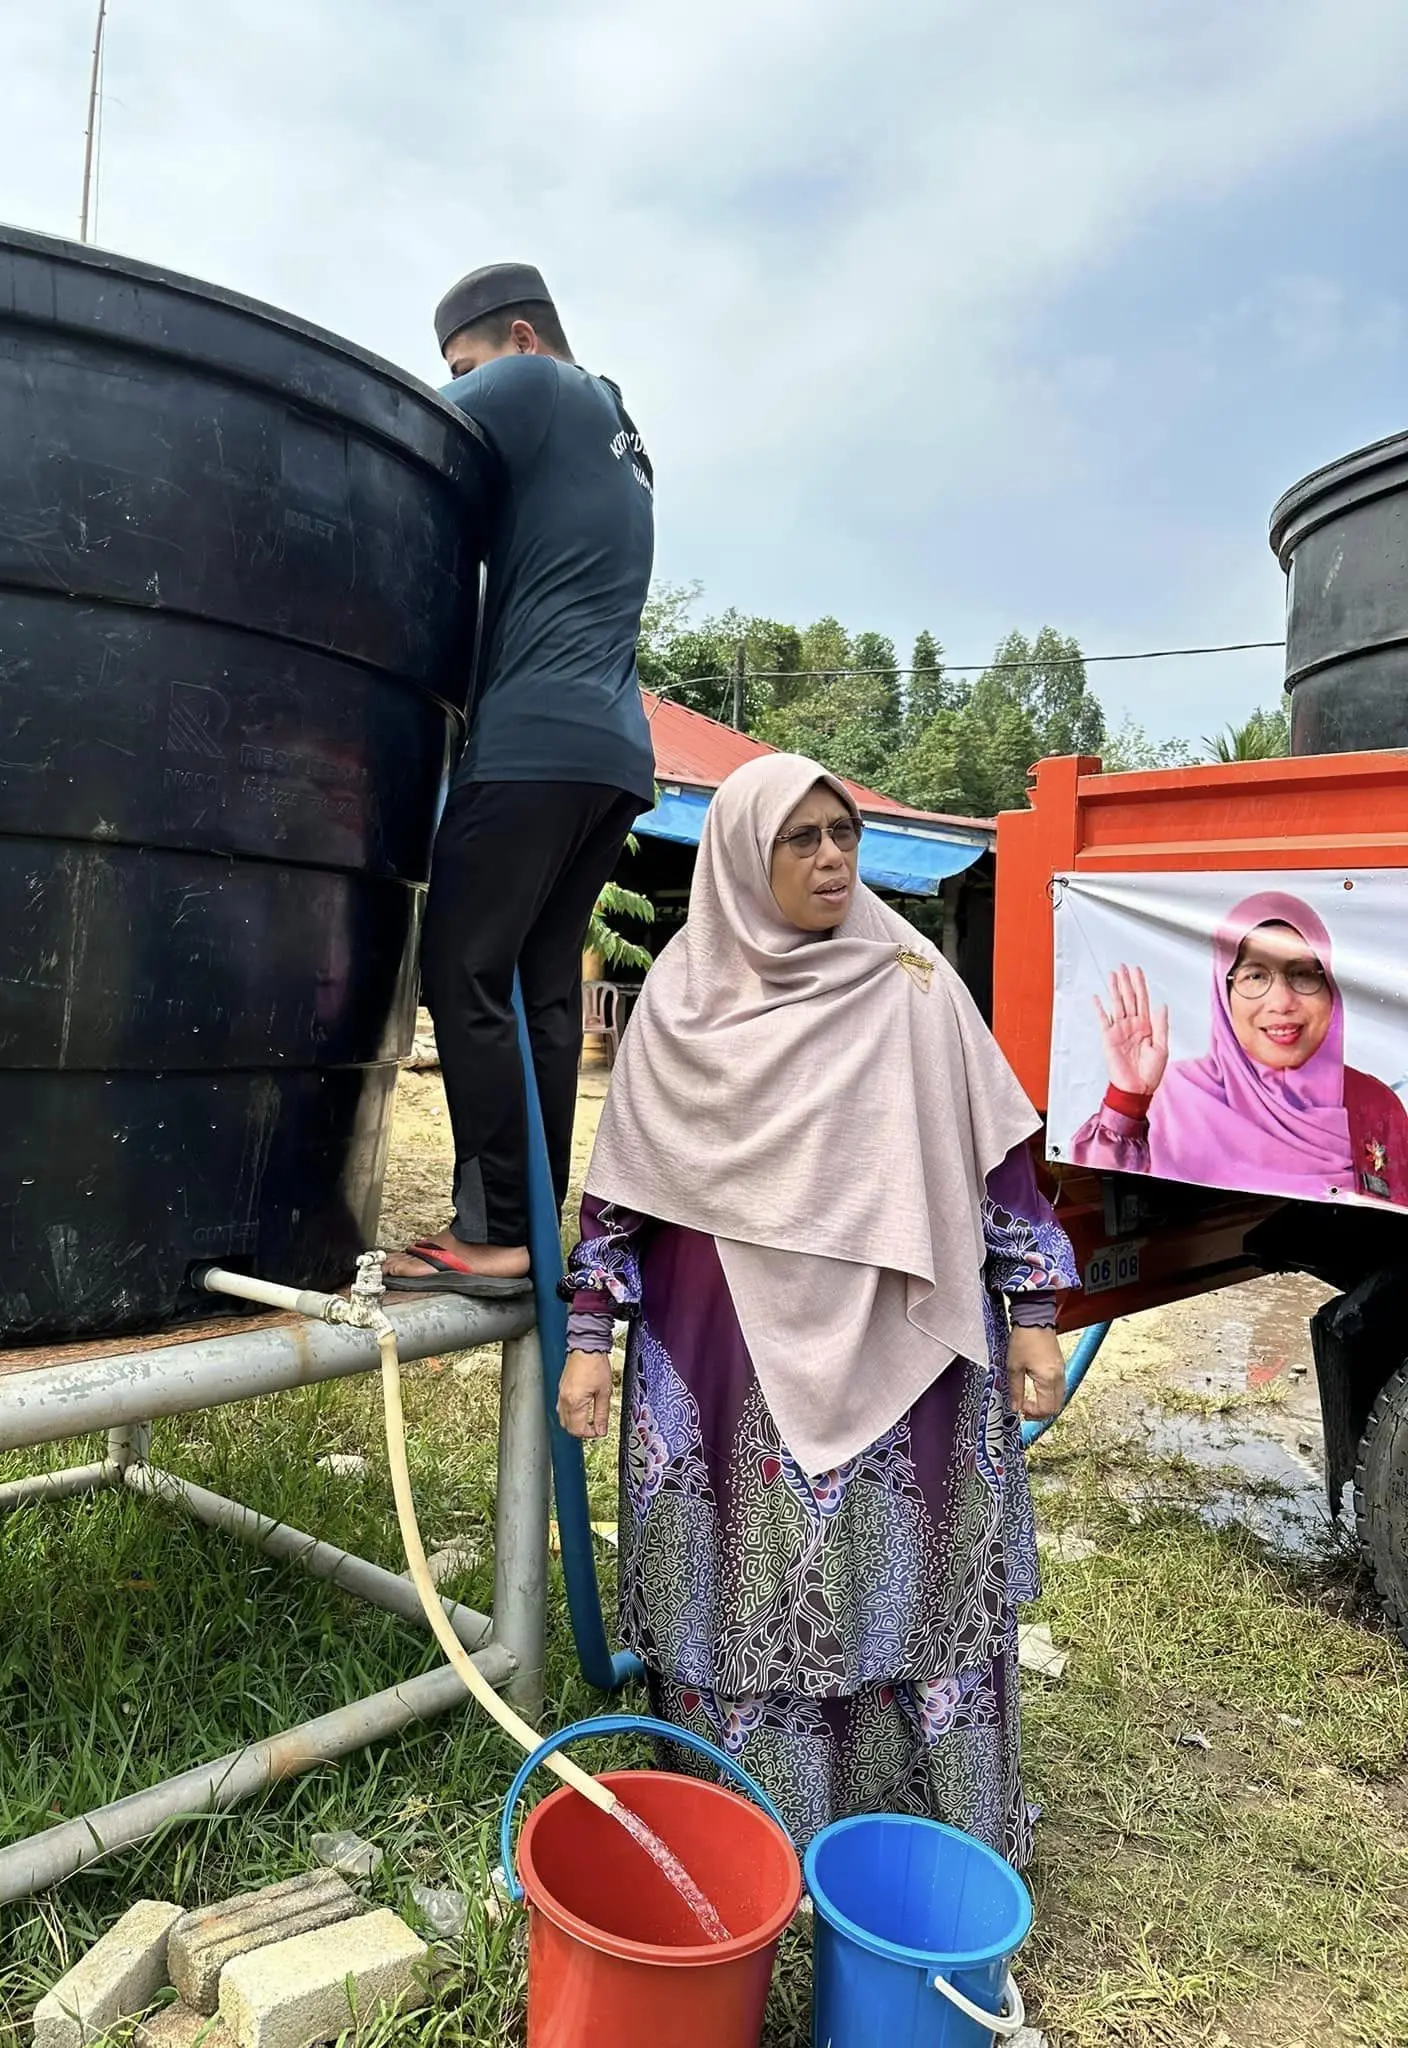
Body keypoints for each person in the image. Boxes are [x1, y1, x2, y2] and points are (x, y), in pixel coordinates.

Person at [555, 753, 1079, 1859]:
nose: (833, 855)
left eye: (842, 831)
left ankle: (916, 1824)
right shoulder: (683, 1001)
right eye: (802, 838)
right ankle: (752, 1831)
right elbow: (620, 1191)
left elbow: (999, 1162)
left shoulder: (911, 979)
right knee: (744, 1573)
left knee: (907, 1565)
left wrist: (1033, 1307)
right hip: (722, 1350)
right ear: (746, 857)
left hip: (905, 1340)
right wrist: (591, 1334)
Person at [383, 263, 656, 1297]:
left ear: (521, 341)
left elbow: (398, 419)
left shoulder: (540, 385)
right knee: (541, 986)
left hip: (532, 744)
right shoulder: (621, 441)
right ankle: (535, 1226)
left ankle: (495, 1232)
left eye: (466, 365)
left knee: (459, 970)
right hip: (611, 756)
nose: (459, 383)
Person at [1071, 890, 1408, 1205]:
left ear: (1330, 988)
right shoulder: (1177, 1097)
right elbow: (1099, 1190)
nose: (1282, 1002)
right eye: (1255, 976)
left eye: (1304, 974)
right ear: (1223, 993)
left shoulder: (1375, 1105)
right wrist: (1128, 1099)